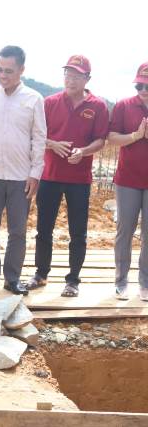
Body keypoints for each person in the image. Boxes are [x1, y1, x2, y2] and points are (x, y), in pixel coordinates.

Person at [26, 55, 108, 298]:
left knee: (78, 231)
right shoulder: (49, 103)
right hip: (50, 175)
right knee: (44, 228)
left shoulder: (98, 106)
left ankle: (73, 280)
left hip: (80, 179)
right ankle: (41, 274)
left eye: (76, 75)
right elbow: (36, 134)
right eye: (67, 74)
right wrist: (53, 144)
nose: (70, 80)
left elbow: (101, 139)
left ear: (87, 79)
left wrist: (84, 151)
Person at [0, 45, 46, 295]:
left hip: (20, 177)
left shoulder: (34, 99)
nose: (2, 75)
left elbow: (39, 138)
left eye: (8, 70)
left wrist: (35, 173)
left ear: (21, 70)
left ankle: (12, 278)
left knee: (17, 230)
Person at [108, 61, 148, 301]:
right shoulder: (124, 106)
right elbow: (111, 138)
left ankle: (145, 282)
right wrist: (136, 136)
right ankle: (121, 280)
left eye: (147, 86)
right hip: (128, 179)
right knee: (125, 230)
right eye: (139, 85)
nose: (143, 90)